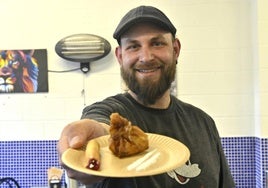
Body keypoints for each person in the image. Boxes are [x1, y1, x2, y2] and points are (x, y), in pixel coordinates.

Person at [57, 5, 235, 188]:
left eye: (157, 43)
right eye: (134, 46)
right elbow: (99, 124)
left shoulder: (203, 123)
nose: (146, 57)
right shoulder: (109, 111)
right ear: (120, 57)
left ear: (176, 49)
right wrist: (97, 138)